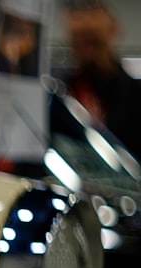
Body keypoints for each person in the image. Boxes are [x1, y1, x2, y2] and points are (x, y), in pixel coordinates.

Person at [58, 0, 141, 159]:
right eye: (78, 41)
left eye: (92, 40)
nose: (85, 49)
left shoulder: (134, 95)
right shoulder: (65, 92)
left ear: (114, 31)